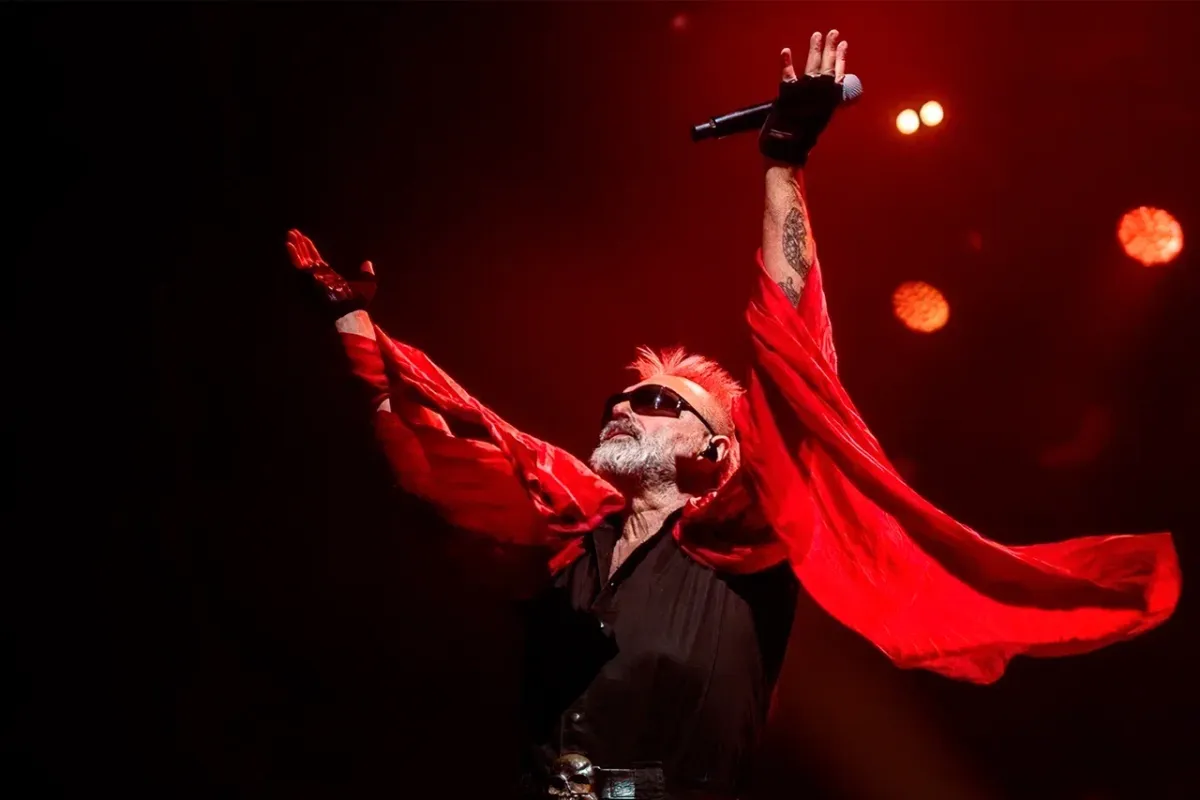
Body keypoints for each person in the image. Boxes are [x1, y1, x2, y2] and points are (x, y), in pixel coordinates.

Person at [287, 30, 1179, 800]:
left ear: (715, 453)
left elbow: (794, 345)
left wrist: (784, 162)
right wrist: (349, 318)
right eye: (621, 398)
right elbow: (434, 432)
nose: (626, 406)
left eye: (660, 403)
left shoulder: (744, 537)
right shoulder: (564, 531)